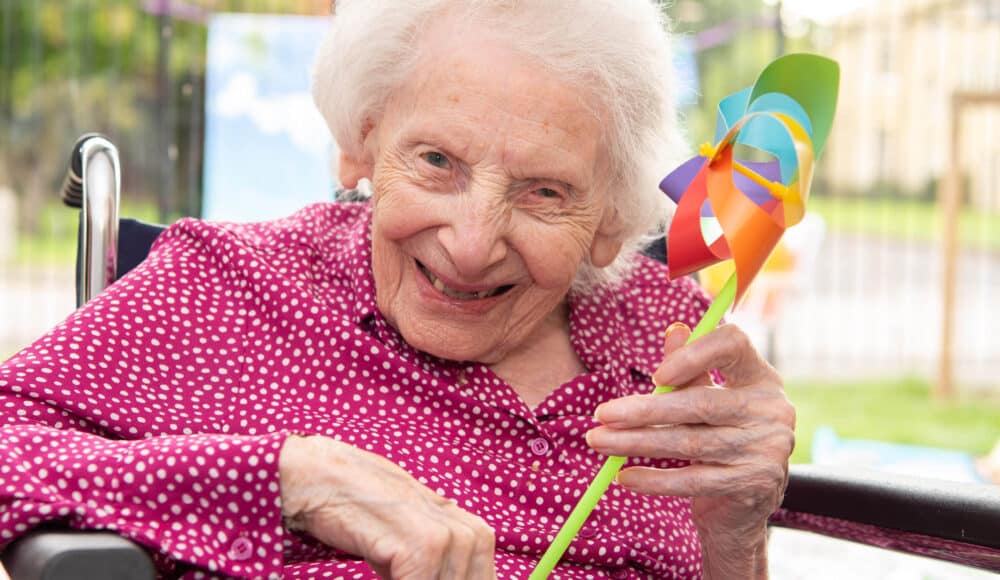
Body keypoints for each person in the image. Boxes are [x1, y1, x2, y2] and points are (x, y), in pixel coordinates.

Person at [0, 0, 795, 578]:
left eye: (545, 191)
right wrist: (289, 479)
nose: (472, 244)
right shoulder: (235, 291)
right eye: (439, 163)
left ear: (612, 217)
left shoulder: (669, 339)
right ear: (363, 142)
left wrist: (736, 543)